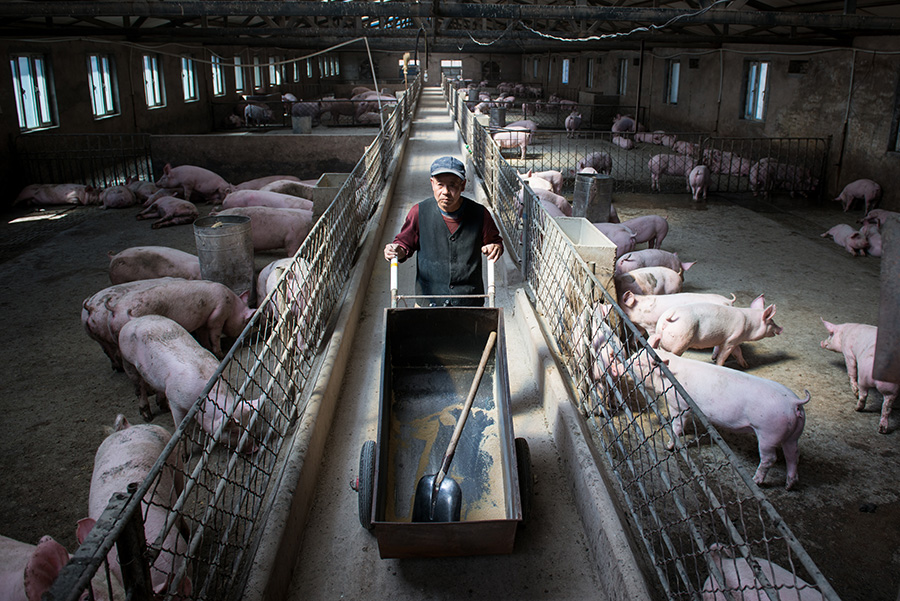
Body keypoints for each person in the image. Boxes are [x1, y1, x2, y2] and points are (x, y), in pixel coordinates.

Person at [384, 156, 504, 307]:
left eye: (452, 185)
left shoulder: (480, 214)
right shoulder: (419, 213)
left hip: (468, 302)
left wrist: (494, 247)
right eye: (440, 185)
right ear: (432, 184)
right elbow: (403, 245)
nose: (446, 192)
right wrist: (395, 250)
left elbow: (495, 242)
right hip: (428, 301)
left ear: (463, 185)